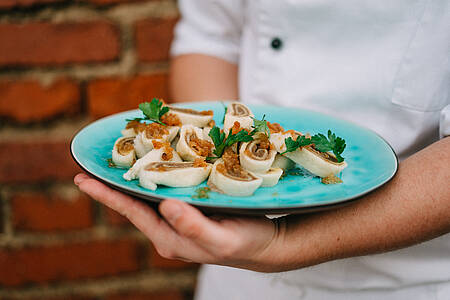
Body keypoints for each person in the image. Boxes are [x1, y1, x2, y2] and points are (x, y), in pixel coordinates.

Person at [74, 0, 450, 299]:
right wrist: (214, 173)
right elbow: (210, 37)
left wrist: (290, 241)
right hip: (238, 275)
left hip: (408, 280)